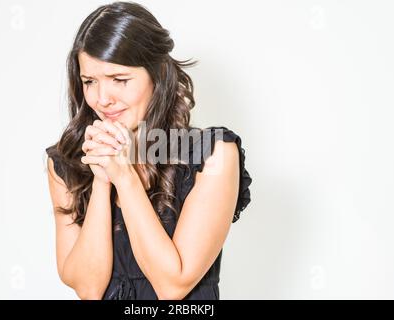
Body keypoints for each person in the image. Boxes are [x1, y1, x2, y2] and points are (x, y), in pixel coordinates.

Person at [45, 1, 252, 300]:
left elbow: (172, 287)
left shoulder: (213, 155)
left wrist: (125, 178)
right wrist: (103, 179)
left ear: (157, 76)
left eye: (120, 80)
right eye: (90, 81)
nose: (103, 99)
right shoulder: (66, 164)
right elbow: (89, 289)